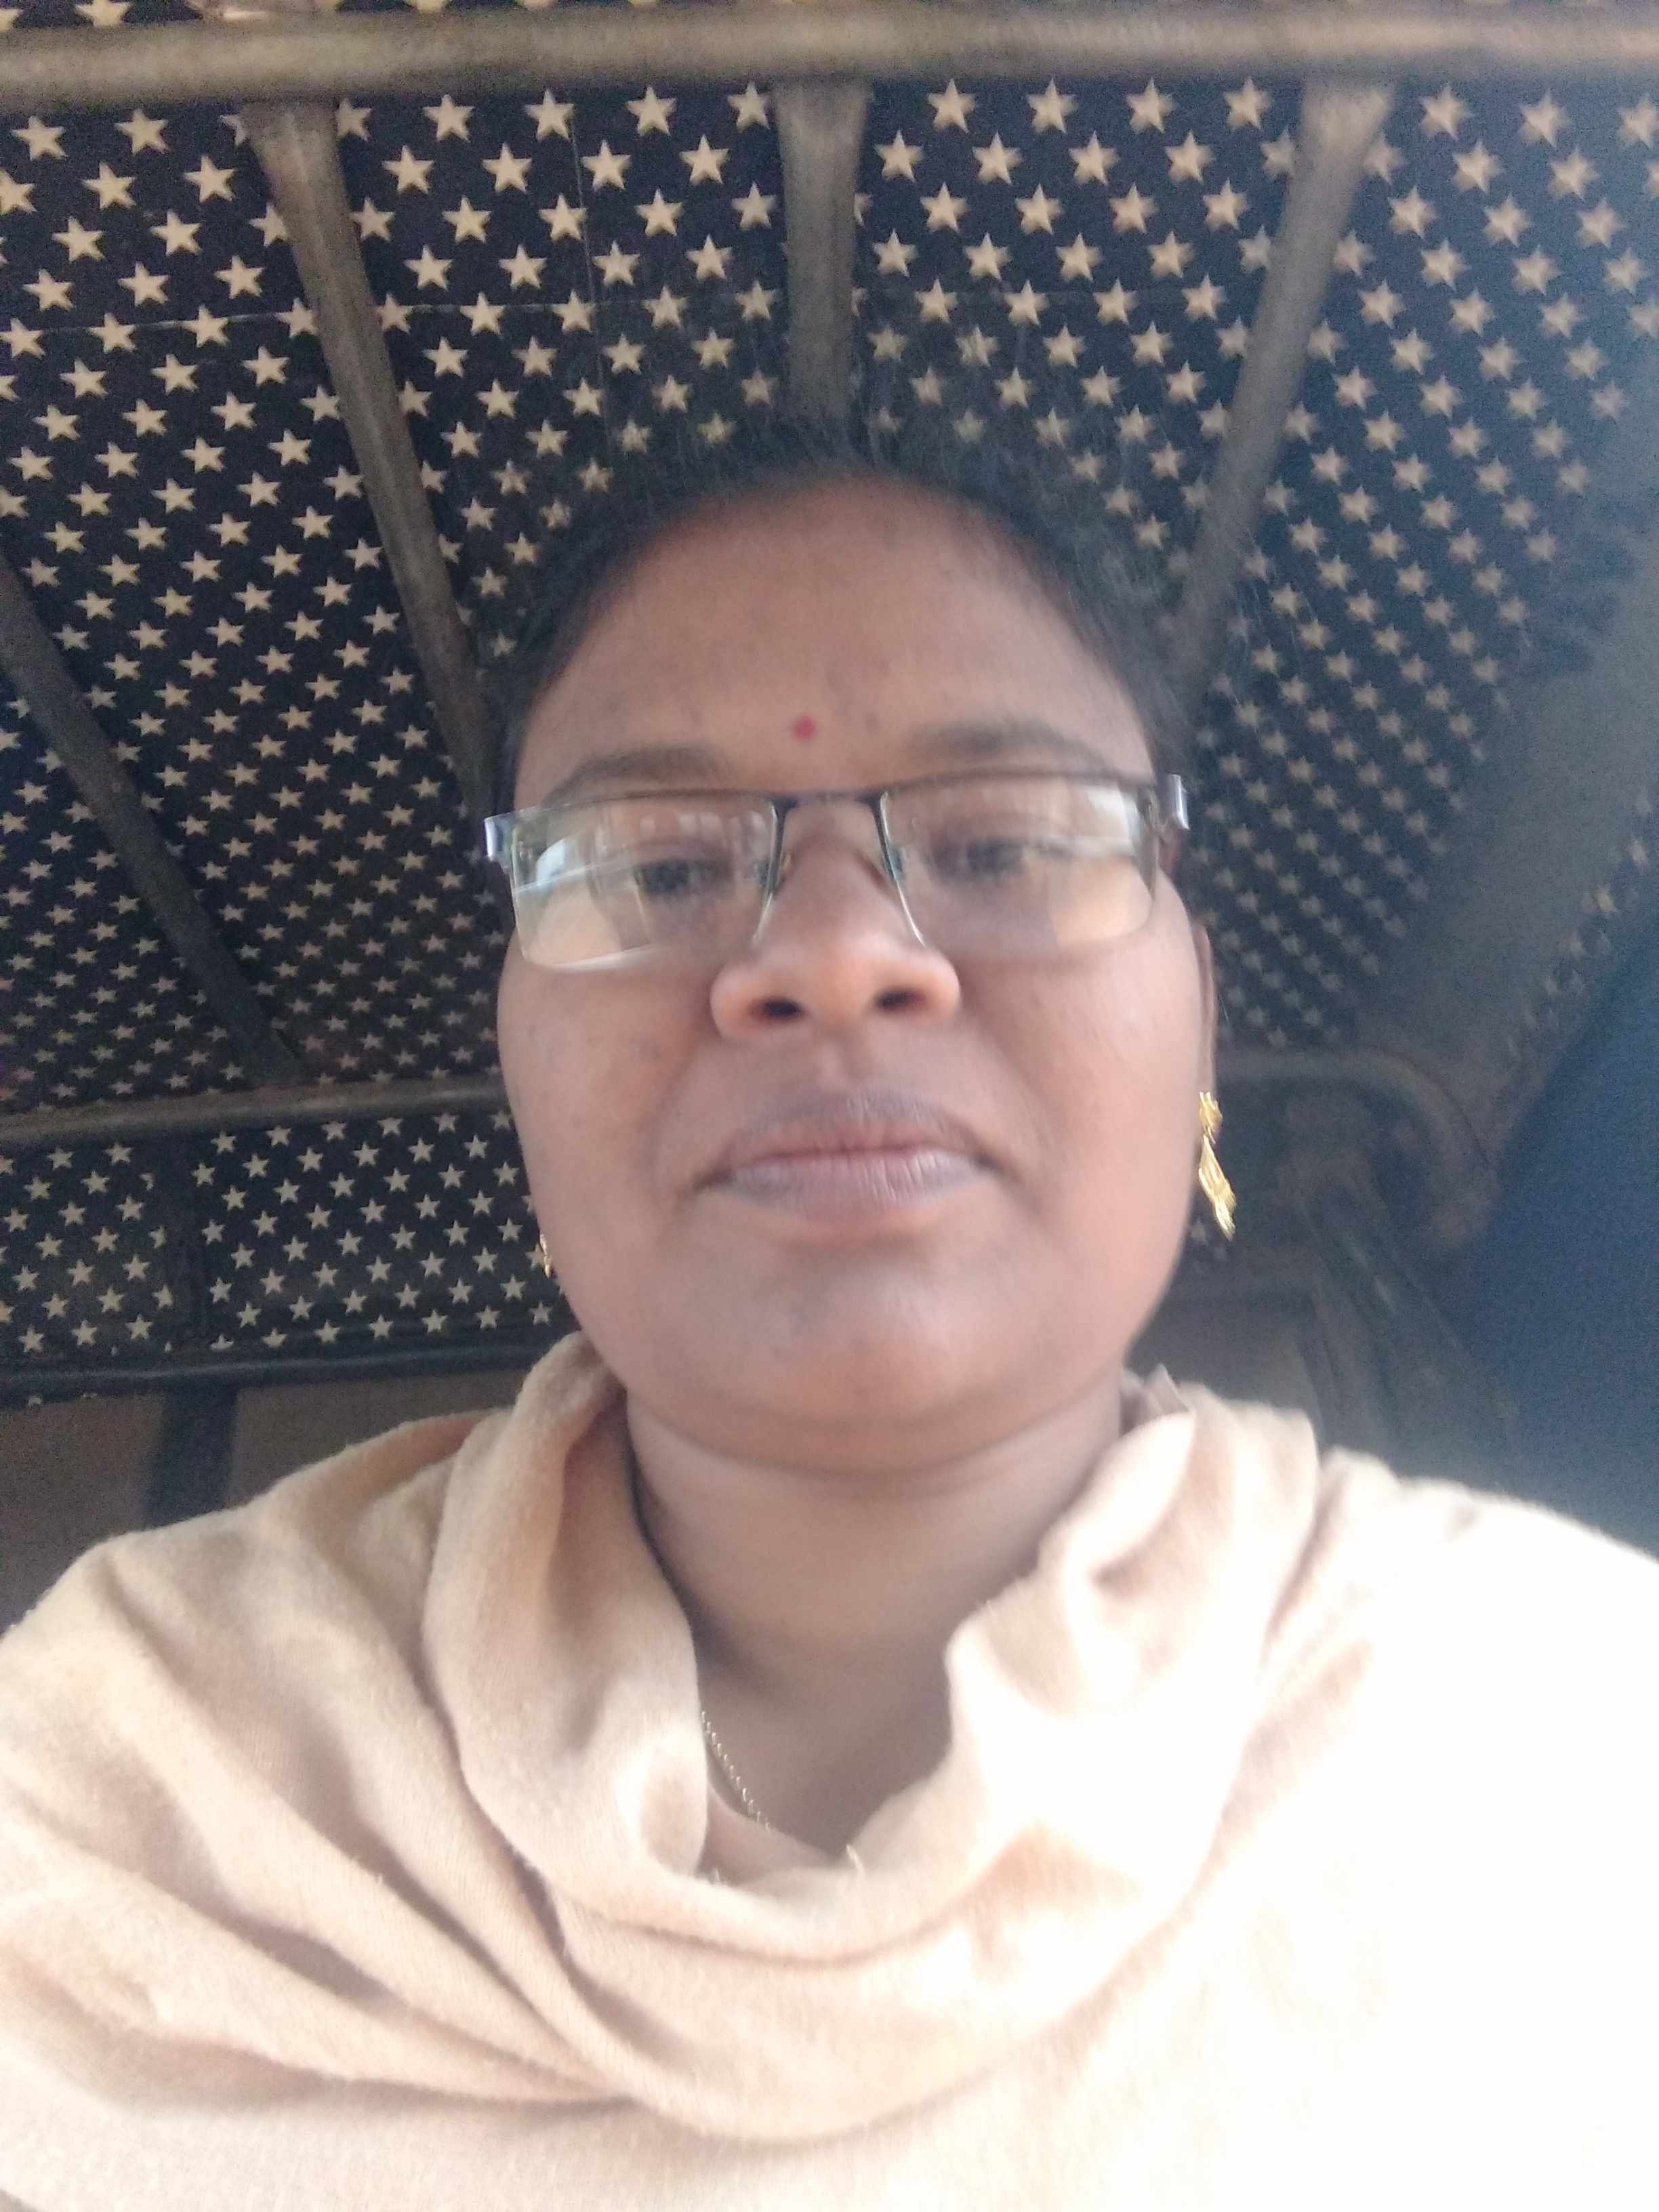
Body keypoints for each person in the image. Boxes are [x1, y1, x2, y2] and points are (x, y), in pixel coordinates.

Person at [1, 424, 1656, 2211]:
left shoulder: (1569, 1732)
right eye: (655, 868)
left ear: (1195, 1020)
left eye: (1006, 842)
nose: (835, 955)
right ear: (521, 1090)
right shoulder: (119, 1780)